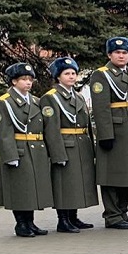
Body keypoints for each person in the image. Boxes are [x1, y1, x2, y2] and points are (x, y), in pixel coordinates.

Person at [90, 37, 128, 229]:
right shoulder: (101, 75)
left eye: (125, 53)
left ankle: (122, 212)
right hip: (114, 131)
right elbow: (100, 108)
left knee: (127, 174)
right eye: (117, 52)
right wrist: (106, 135)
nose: (121, 56)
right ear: (109, 54)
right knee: (111, 175)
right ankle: (112, 216)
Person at [0, 63, 54, 237]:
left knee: (32, 189)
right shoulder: (5, 102)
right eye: (23, 79)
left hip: (36, 150)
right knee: (20, 189)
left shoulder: (35, 101)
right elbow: (4, 132)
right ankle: (21, 224)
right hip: (19, 149)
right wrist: (10, 155)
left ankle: (30, 222)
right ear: (14, 81)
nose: (28, 82)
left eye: (30, 79)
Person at [41, 57, 99, 233]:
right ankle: (63, 220)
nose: (72, 76)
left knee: (77, 183)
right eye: (67, 73)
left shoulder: (78, 95)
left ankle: (73, 217)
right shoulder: (51, 97)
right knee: (64, 184)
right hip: (65, 145)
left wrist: (92, 149)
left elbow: (87, 125)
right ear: (58, 77)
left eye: (74, 73)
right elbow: (51, 129)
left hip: (81, 144)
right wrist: (57, 153)